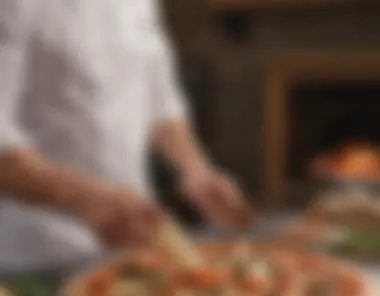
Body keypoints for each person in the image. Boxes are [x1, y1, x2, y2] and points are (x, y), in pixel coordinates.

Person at [0, 0, 252, 269]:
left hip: (132, 240)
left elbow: (160, 98)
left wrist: (196, 172)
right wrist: (85, 197)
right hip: (36, 254)